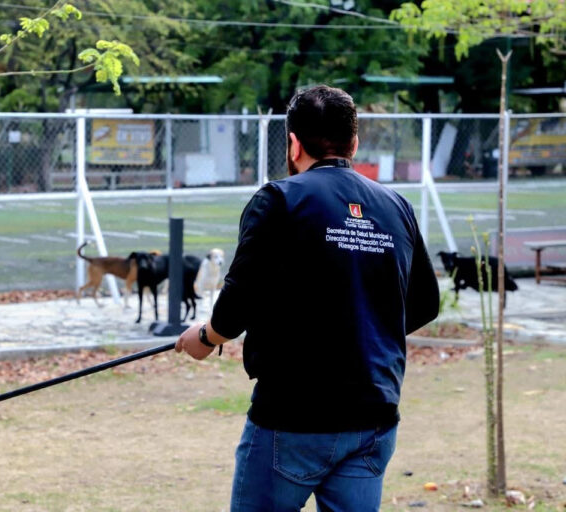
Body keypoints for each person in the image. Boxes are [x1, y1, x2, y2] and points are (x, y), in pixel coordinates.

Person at [175, 85, 439, 512]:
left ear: (294, 144)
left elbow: (239, 298)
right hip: (373, 414)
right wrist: (363, 325)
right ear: (354, 143)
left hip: (293, 416)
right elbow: (424, 304)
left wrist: (206, 337)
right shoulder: (397, 206)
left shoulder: (280, 200)